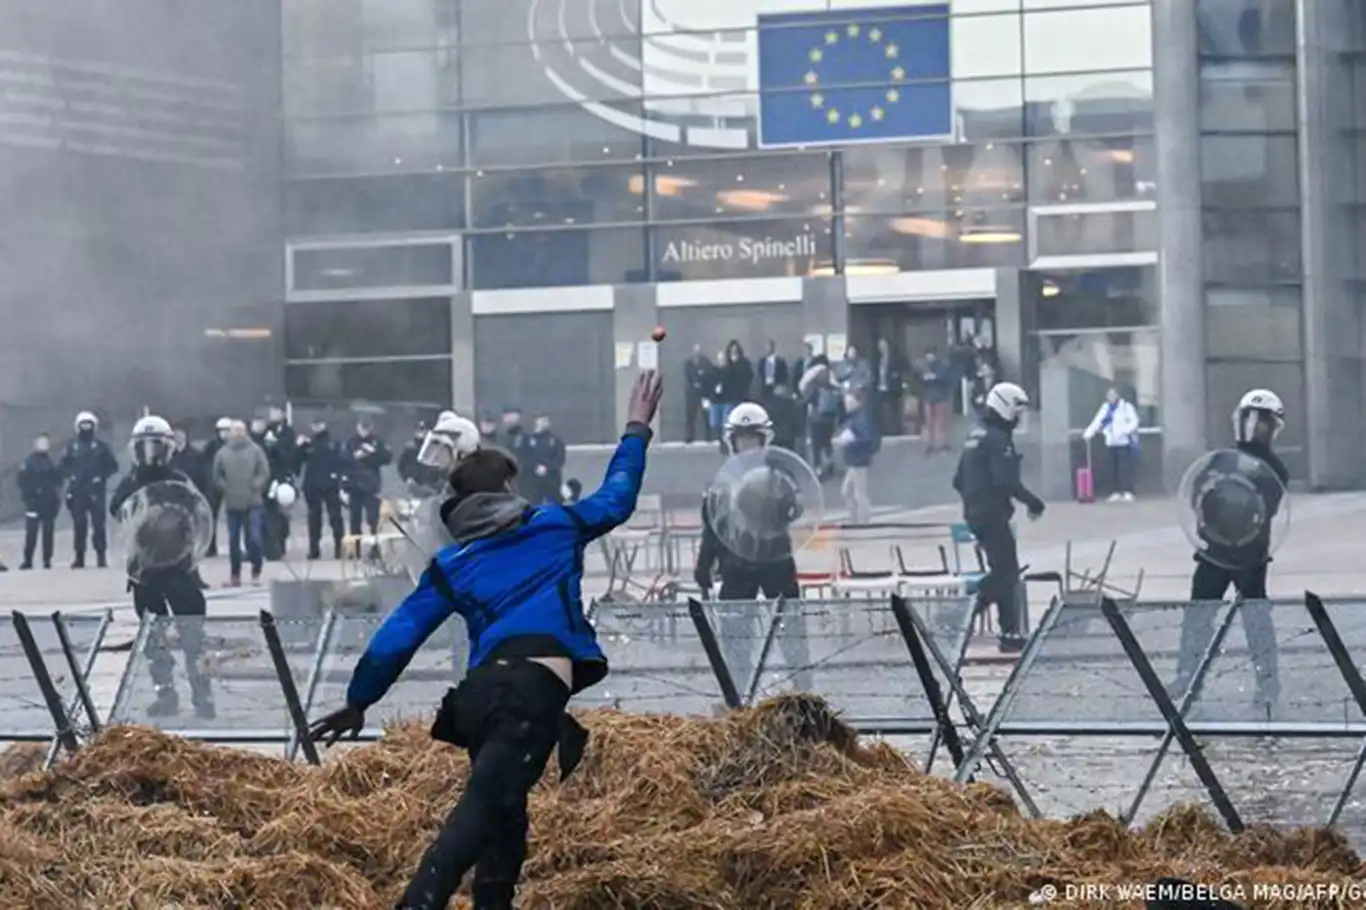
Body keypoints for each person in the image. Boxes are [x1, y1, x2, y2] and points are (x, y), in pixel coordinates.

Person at [307, 370, 664, 910]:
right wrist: (636, 428)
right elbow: (617, 497)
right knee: (477, 815)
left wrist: (359, 700)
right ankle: (418, 901)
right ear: (505, 489)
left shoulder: (452, 563)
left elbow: (398, 634)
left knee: (504, 814)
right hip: (530, 692)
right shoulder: (555, 525)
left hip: (479, 696)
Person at [1175, 389, 1288, 715]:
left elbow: (1264, 507)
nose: (1255, 427)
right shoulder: (1219, 459)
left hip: (1250, 556)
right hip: (1214, 551)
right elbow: (1200, 494)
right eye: (1250, 419)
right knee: (1199, 615)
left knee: (1256, 621)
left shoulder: (1273, 469)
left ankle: (1267, 683)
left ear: (1272, 427)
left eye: (1261, 422)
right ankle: (1187, 676)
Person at [693, 402, 812, 693]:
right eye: (741, 438)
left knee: (791, 631)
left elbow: (795, 508)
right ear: (731, 441)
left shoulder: (780, 477)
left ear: (764, 439)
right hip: (735, 566)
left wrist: (781, 502)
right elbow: (713, 529)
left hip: (776, 562)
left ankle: (804, 693)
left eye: (752, 438)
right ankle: (736, 698)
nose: (747, 444)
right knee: (735, 639)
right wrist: (703, 567)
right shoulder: (720, 484)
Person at [110, 415, 215, 718]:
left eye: (156, 446)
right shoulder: (130, 482)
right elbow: (117, 509)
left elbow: (198, 510)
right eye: (144, 447)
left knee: (193, 635)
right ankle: (165, 693)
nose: (150, 453)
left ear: (168, 448)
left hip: (180, 568)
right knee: (153, 638)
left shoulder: (180, 480)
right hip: (145, 571)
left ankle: (202, 695)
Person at [952, 382, 1045, 654]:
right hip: (992, 515)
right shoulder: (996, 438)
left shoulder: (976, 435)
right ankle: (962, 613)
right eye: (1017, 410)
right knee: (1005, 574)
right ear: (1005, 406)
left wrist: (973, 502)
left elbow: (957, 479)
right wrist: (1033, 502)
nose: (1018, 417)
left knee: (1005, 572)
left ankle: (1010, 634)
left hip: (978, 514)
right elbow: (1006, 481)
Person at [213, 420, 270, 587]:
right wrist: (226, 487)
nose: (238, 433)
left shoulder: (256, 451)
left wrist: (256, 485)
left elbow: (264, 471)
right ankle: (235, 574)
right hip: (232, 503)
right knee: (233, 541)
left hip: (253, 502)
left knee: (254, 538)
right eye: (235, 430)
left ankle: (256, 569)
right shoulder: (222, 453)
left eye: (241, 430)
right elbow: (217, 475)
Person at [61, 410, 119, 569]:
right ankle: (79, 556)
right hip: (77, 491)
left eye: (89, 424)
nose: (86, 427)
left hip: (96, 491)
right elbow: (63, 466)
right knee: (79, 525)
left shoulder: (101, 447)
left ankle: (101, 556)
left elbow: (113, 466)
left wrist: (101, 476)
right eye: (83, 424)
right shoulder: (72, 447)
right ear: (77, 427)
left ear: (94, 426)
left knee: (99, 525)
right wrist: (71, 476)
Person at [1083, 387, 1142, 502]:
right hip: (1111, 441)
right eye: (1109, 395)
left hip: (1123, 441)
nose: (1111, 397)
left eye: (1113, 394)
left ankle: (1127, 491)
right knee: (1112, 468)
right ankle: (1116, 491)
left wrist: (1124, 431)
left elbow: (1134, 421)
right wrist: (1088, 433)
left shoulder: (1125, 407)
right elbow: (1098, 421)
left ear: (1118, 395)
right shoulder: (1105, 408)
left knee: (1124, 468)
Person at [298, 418, 346, 560]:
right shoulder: (308, 444)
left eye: (319, 425)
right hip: (312, 485)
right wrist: (298, 447)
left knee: (335, 518)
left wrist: (340, 479)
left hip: (330, 485)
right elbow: (296, 462)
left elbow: (342, 462)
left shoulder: (333, 443)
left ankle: (339, 547)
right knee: (314, 519)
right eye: (314, 425)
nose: (316, 427)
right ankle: (314, 549)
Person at [18, 433, 62, 570]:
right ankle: (28, 559)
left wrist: (56, 498)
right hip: (33, 502)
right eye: (40, 442)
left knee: (48, 532)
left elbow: (58, 480)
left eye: (46, 443)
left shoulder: (51, 462)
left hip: (48, 502)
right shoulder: (28, 462)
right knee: (31, 533)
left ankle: (47, 559)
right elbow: (22, 481)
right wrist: (29, 496)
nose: (43, 445)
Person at [834, 387, 877, 525]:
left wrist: (849, 442)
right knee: (848, 491)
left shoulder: (861, 418)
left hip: (858, 460)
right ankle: (855, 519)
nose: (846, 403)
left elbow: (867, 438)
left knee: (858, 492)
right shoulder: (854, 418)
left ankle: (863, 521)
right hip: (853, 460)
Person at [344, 418, 392, 537]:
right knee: (355, 518)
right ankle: (356, 548)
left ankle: (374, 546)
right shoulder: (351, 442)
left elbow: (386, 458)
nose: (364, 431)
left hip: (371, 485)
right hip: (354, 484)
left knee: (373, 518)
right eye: (362, 428)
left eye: (367, 428)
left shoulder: (377, 441)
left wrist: (373, 454)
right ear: (357, 427)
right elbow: (344, 461)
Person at [202, 417, 232, 556]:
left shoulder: (234, 445)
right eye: (222, 431)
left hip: (233, 484)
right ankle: (210, 547)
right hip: (214, 484)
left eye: (227, 431)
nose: (225, 434)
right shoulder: (212, 446)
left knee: (235, 515)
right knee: (211, 516)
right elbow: (204, 463)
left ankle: (236, 546)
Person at [522, 413, 566, 505]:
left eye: (544, 421)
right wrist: (535, 467)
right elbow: (525, 457)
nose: (541, 423)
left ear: (548, 423)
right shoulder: (528, 440)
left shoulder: (555, 440)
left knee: (554, 505)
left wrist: (547, 468)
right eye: (539, 421)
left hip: (552, 480)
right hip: (533, 481)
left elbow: (560, 459)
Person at [919, 347, 955, 454]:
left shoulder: (942, 365)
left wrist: (935, 377)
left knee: (941, 421)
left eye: (931, 354)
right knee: (929, 422)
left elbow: (946, 377)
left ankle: (942, 442)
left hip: (940, 396)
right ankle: (931, 444)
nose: (929, 357)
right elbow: (918, 379)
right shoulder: (923, 366)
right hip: (929, 396)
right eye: (927, 355)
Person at [683, 344, 716, 444]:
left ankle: (709, 436)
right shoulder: (688, 363)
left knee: (706, 414)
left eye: (698, 349)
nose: (696, 351)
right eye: (694, 350)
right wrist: (693, 383)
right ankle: (690, 436)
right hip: (692, 394)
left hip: (704, 393)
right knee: (690, 415)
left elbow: (710, 374)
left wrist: (702, 380)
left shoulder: (706, 362)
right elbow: (687, 376)